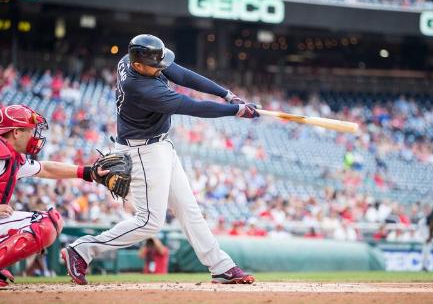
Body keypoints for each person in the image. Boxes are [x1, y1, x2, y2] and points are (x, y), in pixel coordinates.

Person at [62, 34, 259, 285]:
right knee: (149, 222)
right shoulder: (143, 88)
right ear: (138, 65)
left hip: (159, 145)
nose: (162, 68)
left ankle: (221, 267)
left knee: (189, 210)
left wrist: (226, 94)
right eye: (156, 65)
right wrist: (236, 110)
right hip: (143, 151)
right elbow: (194, 107)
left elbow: (183, 75)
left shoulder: (131, 59)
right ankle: (81, 249)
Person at [0, 104, 107, 287]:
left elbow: (47, 169)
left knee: (49, 221)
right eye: (30, 130)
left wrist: (88, 173)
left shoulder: (13, 157)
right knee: (44, 224)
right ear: (16, 132)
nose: (34, 136)